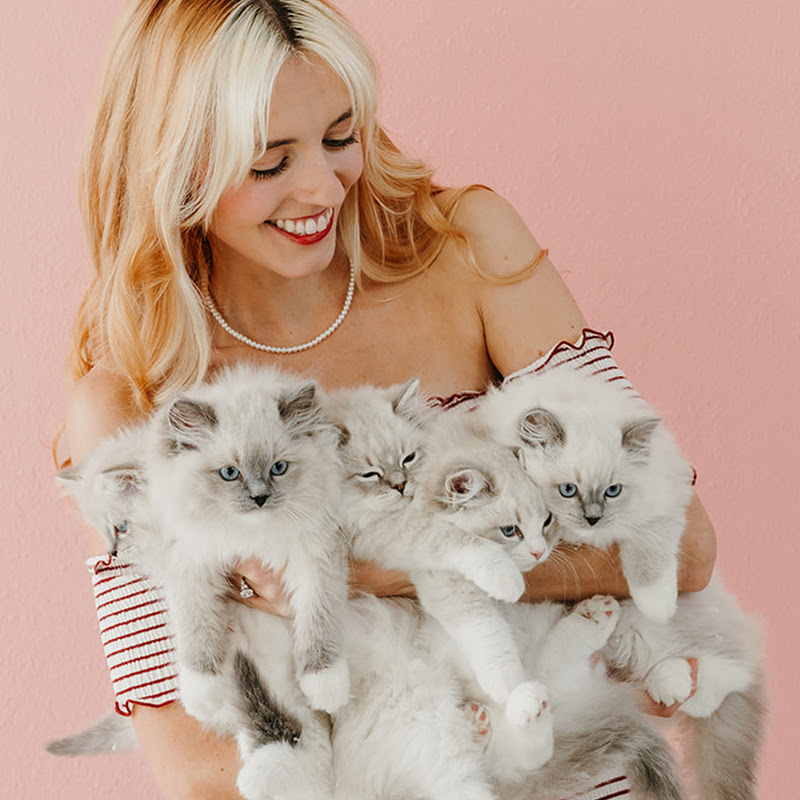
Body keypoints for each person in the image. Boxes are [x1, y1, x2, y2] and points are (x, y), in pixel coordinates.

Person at [64, 1, 716, 797]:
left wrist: (371, 567)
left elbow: (684, 548)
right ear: (175, 170)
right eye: (268, 163)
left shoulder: (468, 250)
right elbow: (197, 769)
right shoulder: (135, 406)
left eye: (342, 137)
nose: (321, 186)